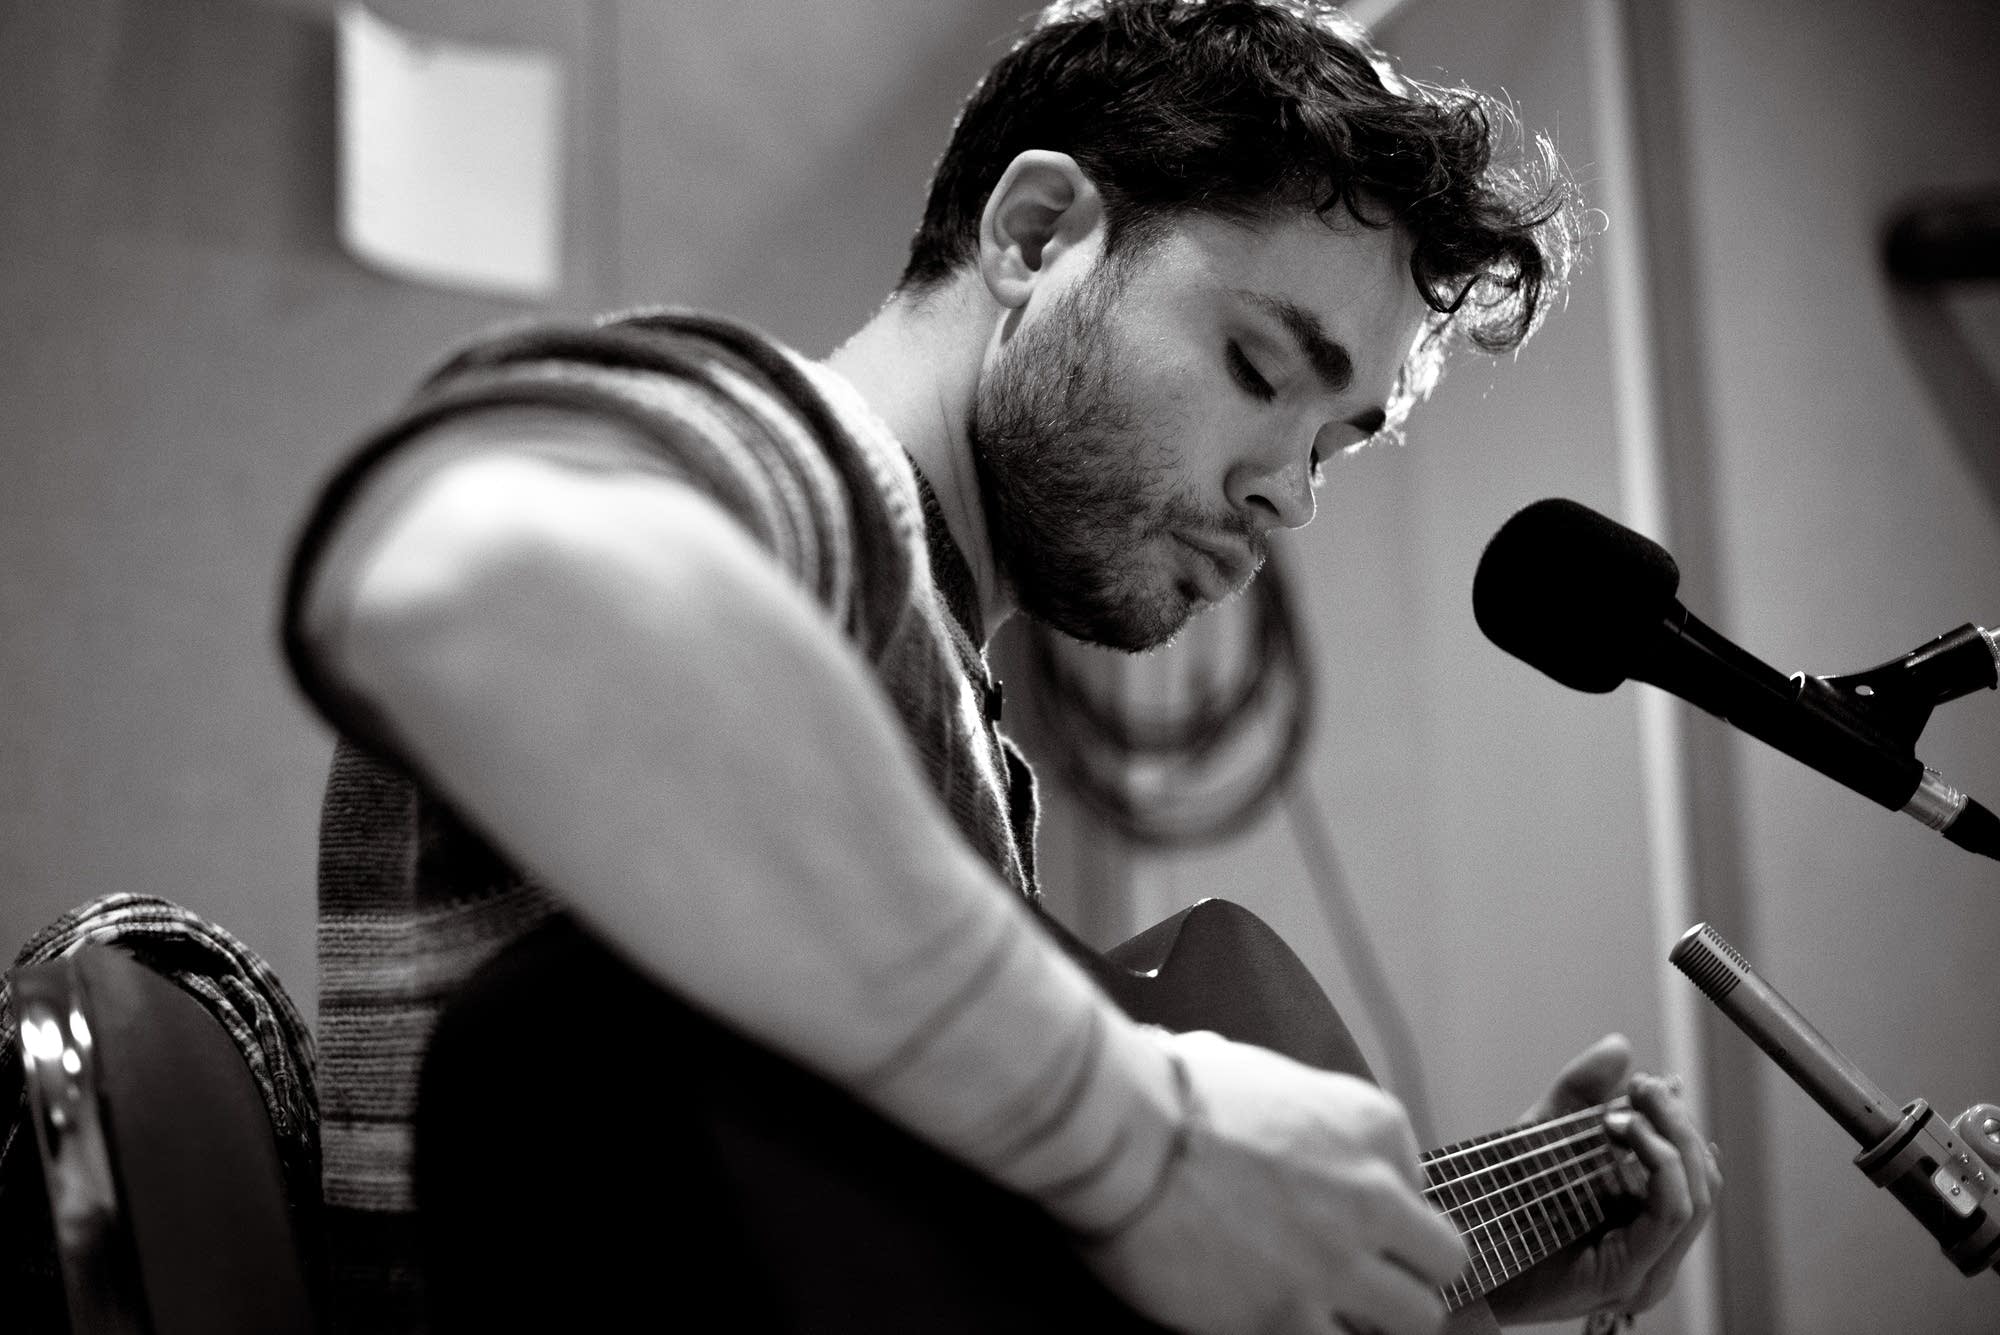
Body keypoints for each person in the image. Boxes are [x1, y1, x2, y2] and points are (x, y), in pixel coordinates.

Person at [282, 2, 1719, 1331]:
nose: (1290, 494)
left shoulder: (941, 709)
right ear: (1035, 234)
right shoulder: (809, 474)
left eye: (1339, 440)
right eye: (1263, 371)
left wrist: (1438, 1284)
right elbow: (458, 572)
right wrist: (1135, 1138)